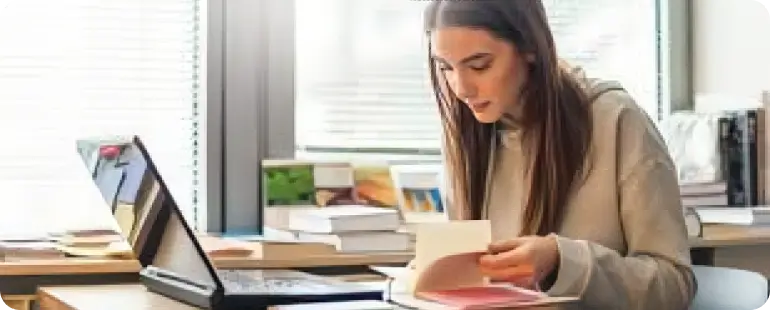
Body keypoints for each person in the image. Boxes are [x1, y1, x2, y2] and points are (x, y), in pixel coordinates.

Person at [423, 1, 696, 309]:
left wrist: (561, 262)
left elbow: (674, 285)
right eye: (445, 67)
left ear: (530, 47)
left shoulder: (616, 121)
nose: (461, 88)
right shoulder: (465, 135)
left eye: (479, 65)